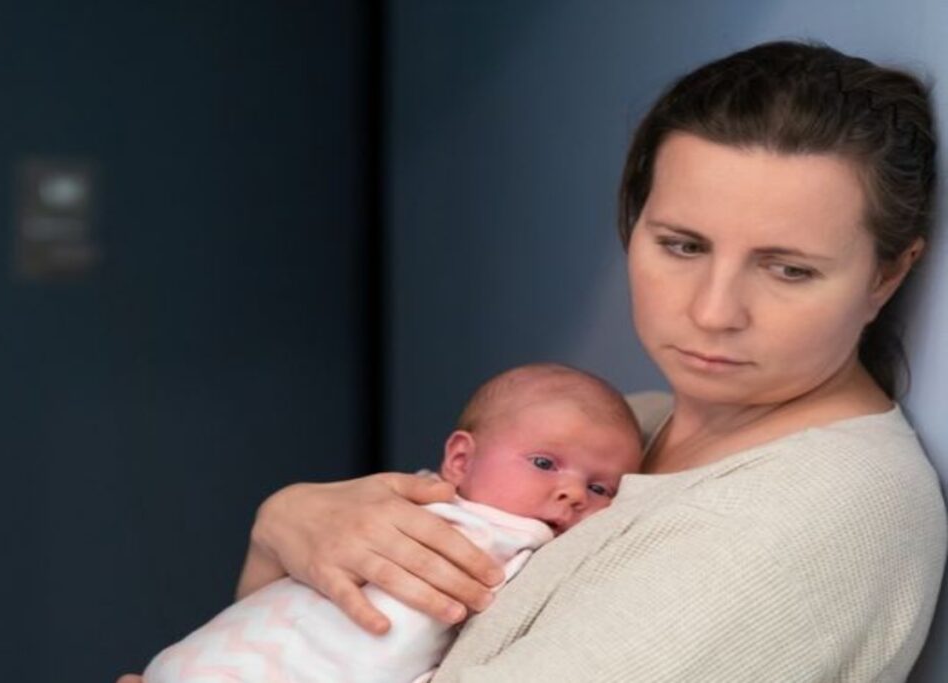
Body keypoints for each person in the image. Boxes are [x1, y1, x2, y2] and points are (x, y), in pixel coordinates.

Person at [120, 39, 947, 683]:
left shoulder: (801, 522)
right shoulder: (632, 425)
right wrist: (283, 528)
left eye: (788, 268)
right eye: (682, 245)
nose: (712, 311)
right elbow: (324, 647)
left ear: (887, 272)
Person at [140, 364, 643, 683]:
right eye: (544, 463)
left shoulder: (543, 554)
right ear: (461, 461)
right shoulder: (404, 503)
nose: (573, 493)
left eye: (600, 489)